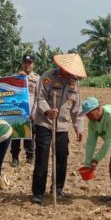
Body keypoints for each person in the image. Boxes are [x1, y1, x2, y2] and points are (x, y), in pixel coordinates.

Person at [31, 54, 87, 204]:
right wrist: (48, 110)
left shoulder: (74, 83)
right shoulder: (47, 77)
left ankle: (57, 189)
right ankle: (38, 192)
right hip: (44, 123)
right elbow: (40, 98)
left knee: (62, 158)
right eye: (69, 72)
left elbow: (76, 108)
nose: (71, 75)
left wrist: (78, 128)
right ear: (62, 68)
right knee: (42, 158)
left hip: (62, 125)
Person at [10, 54, 40, 167]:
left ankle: (30, 157)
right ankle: (15, 158)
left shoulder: (37, 78)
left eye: (29, 63)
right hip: (17, 112)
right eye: (25, 62)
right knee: (16, 136)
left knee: (30, 136)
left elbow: (38, 97)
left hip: (30, 112)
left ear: (33, 65)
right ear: (22, 63)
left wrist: (34, 112)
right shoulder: (15, 76)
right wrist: (17, 77)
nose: (27, 65)